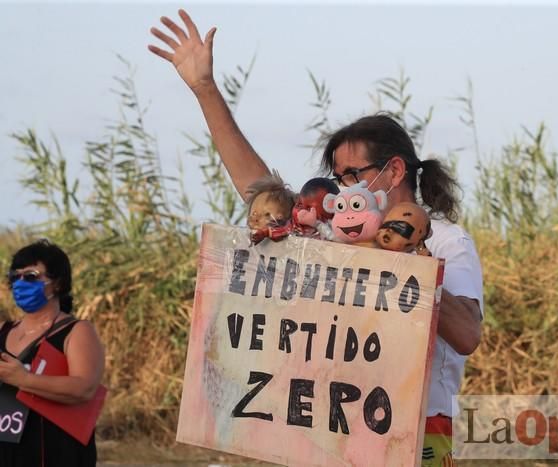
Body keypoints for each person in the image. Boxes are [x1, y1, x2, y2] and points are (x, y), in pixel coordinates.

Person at [149, 10, 483, 466]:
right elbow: (260, 191)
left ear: (395, 171)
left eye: (353, 174)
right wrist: (205, 89)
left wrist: (409, 265)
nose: (343, 188)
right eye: (337, 178)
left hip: (417, 434)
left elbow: (467, 335)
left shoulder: (446, 241)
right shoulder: (333, 238)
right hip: (331, 430)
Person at [0, 240, 104, 467]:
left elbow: (84, 388)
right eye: (14, 277)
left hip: (55, 451)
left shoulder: (76, 331)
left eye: (30, 276)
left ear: (56, 283)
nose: (20, 283)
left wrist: (24, 379)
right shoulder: (3, 330)